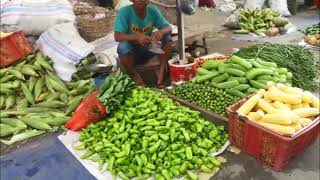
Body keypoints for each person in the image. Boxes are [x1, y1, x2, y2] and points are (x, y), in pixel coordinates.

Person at [114, 0, 172, 86]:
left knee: (167, 37)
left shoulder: (152, 11)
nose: (141, 0)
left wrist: (160, 32)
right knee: (122, 47)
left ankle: (162, 71)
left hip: (149, 48)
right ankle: (135, 76)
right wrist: (137, 37)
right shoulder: (124, 12)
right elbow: (117, 36)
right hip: (132, 53)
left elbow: (169, 28)